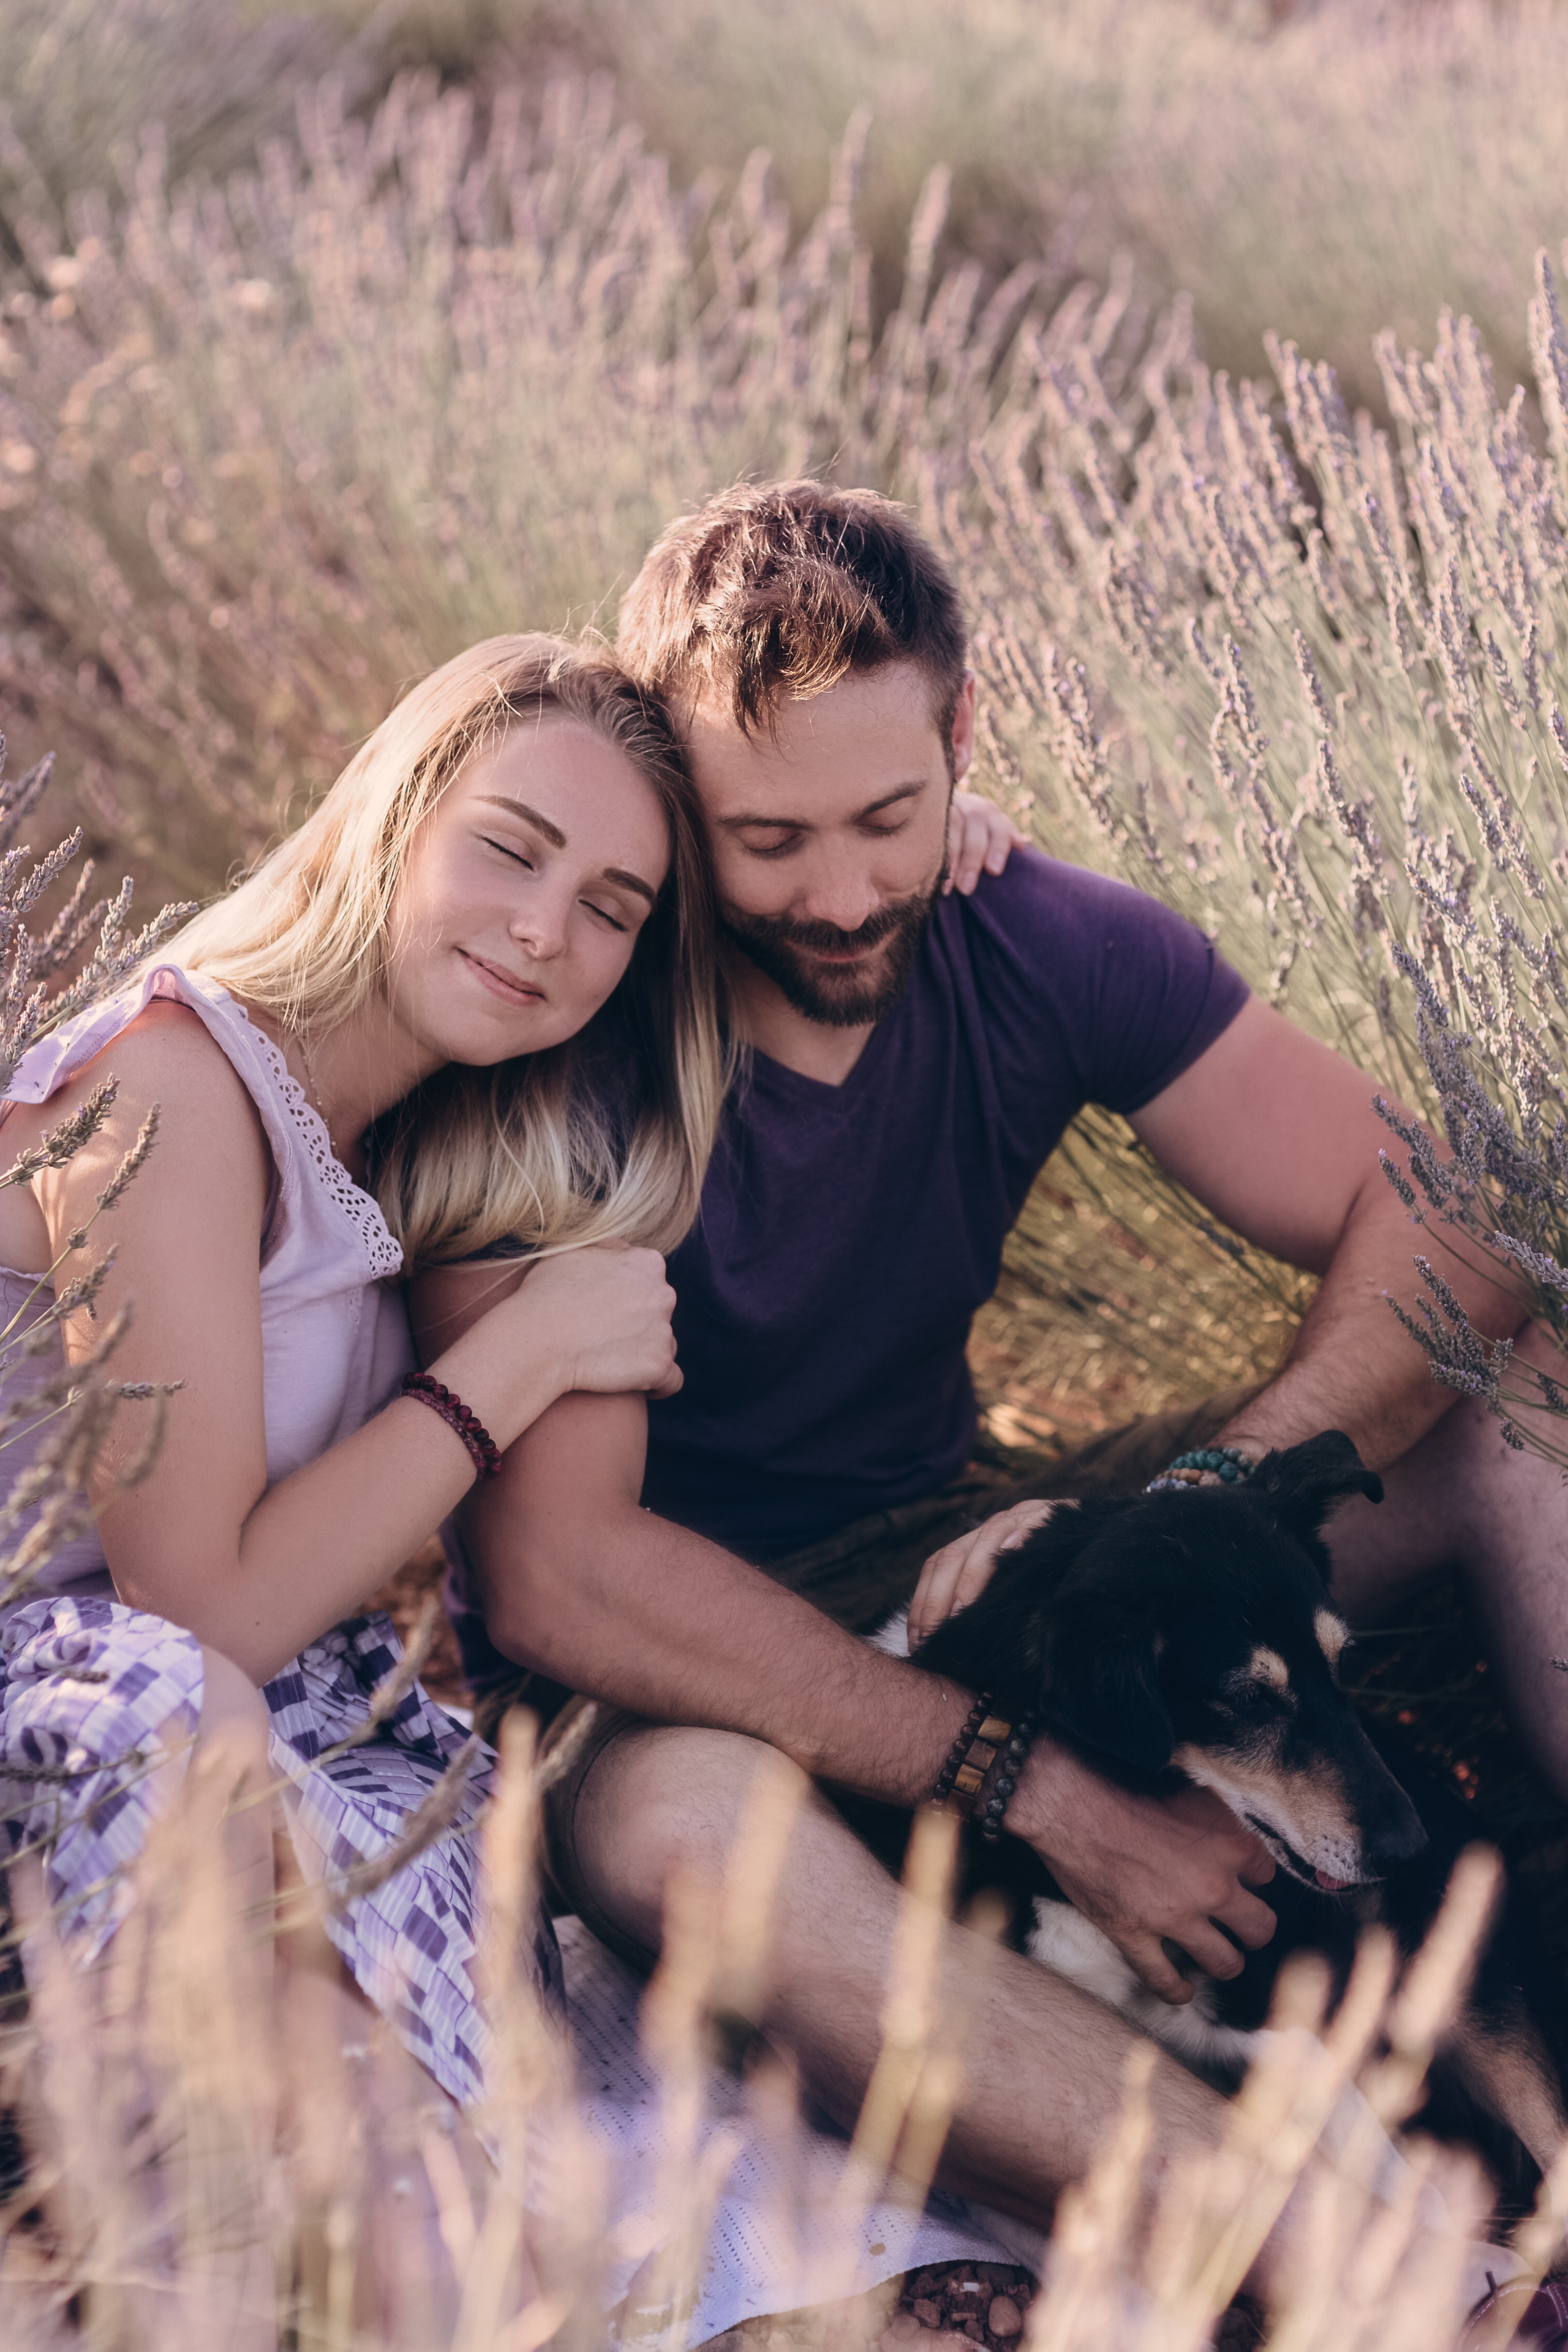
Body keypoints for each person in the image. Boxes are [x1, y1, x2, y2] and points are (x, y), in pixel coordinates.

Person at [416, 485, 1566, 2315]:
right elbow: (567, 1579)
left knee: (1528, 1391)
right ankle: (1383, 2271)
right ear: (666, 794)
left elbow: (1460, 1224)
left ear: (966, 733)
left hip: (977, 1553)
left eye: (889, 815)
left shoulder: (1035, 933)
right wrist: (1025, 1785)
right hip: (682, 1671)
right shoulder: (571, 1029)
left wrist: (1193, 1505)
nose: (847, 891)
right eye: (767, 839)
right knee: (677, 1836)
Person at [0, 634, 720, 2326]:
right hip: (91, 1706)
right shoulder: (169, 1084)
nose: (549, 931)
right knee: (180, 1718)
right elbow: (195, 1604)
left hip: (182, 1719)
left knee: (419, 1821)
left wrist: (965, 849)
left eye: (614, 908)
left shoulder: (396, 1145)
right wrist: (524, 1356)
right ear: (388, 819)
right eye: (510, 848)